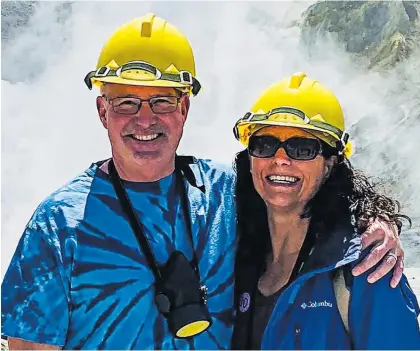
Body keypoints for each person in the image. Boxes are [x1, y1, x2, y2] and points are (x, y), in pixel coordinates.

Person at [0, 13, 407, 351]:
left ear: (185, 108)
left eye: (162, 101)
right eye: (126, 102)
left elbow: (296, 194)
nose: (146, 120)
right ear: (102, 111)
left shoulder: (223, 193)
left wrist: (372, 221)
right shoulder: (58, 224)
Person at [231, 72, 420, 349]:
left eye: (302, 148)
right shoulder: (231, 251)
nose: (281, 159)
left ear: (330, 163)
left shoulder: (368, 272)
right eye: (265, 144)